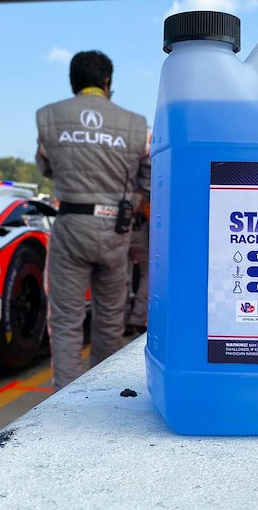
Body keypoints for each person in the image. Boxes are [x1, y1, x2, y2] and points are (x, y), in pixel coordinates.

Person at [35, 51, 150, 390]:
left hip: (71, 224)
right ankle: (103, 396)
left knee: (67, 322)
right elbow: (147, 178)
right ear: (107, 82)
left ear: (73, 82)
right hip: (116, 229)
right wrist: (129, 200)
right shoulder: (135, 124)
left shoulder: (49, 116)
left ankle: (65, 402)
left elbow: (46, 167)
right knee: (110, 322)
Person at [125, 201, 149, 336]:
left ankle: (121, 321)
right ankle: (138, 318)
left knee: (119, 277)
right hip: (139, 228)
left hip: (115, 228)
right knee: (148, 273)